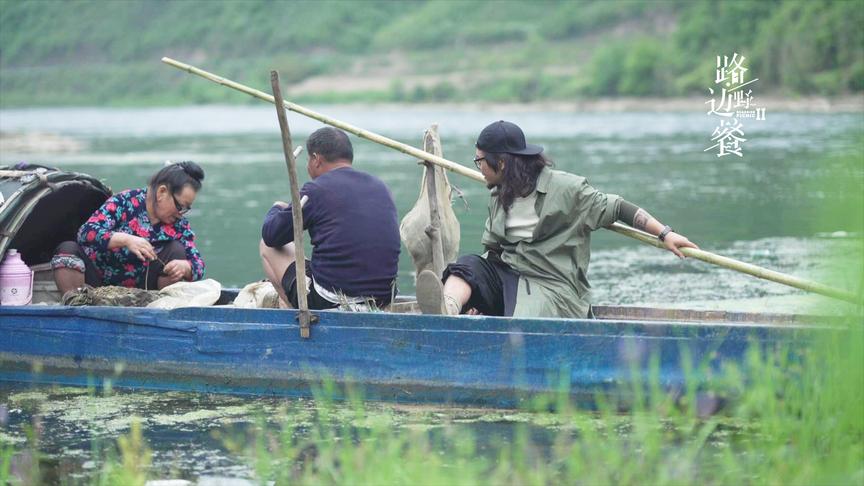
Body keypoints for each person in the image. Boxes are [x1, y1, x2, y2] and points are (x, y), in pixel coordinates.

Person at [417, 120, 699, 318]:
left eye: (480, 161)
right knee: (466, 266)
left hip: (552, 288)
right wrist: (478, 295)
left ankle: (495, 318)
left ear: (501, 163)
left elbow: (619, 208)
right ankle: (449, 310)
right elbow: (494, 253)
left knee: (523, 324)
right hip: (511, 276)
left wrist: (665, 234)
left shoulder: (567, 190)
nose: (478, 169)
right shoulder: (499, 194)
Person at [260, 127, 401, 310]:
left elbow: (272, 235)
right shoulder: (381, 187)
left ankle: (294, 311)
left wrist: (277, 207)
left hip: (332, 299)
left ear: (316, 159)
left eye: (309, 159)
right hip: (384, 297)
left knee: (267, 245)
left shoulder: (316, 190)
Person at [52, 161, 206, 294]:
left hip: (145, 291)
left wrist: (186, 267)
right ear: (162, 192)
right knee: (67, 248)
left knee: (177, 250)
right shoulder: (125, 202)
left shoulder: (179, 224)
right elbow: (86, 232)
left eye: (186, 209)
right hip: (96, 282)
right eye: (179, 206)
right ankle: (78, 306)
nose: (181, 214)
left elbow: (198, 264)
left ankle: (162, 311)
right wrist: (125, 240)